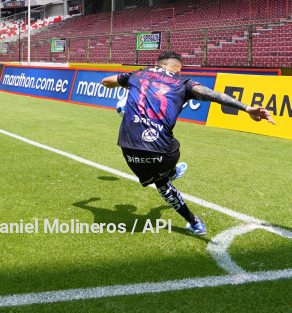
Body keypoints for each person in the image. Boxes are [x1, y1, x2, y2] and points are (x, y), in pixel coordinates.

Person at [101, 51, 274, 235]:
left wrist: (128, 84)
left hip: (128, 149)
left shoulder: (138, 74)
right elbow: (212, 95)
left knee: (160, 182)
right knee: (168, 155)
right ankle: (172, 172)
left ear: (158, 64)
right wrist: (247, 108)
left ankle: (194, 222)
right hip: (163, 152)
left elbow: (106, 81)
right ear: (179, 68)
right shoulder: (183, 82)